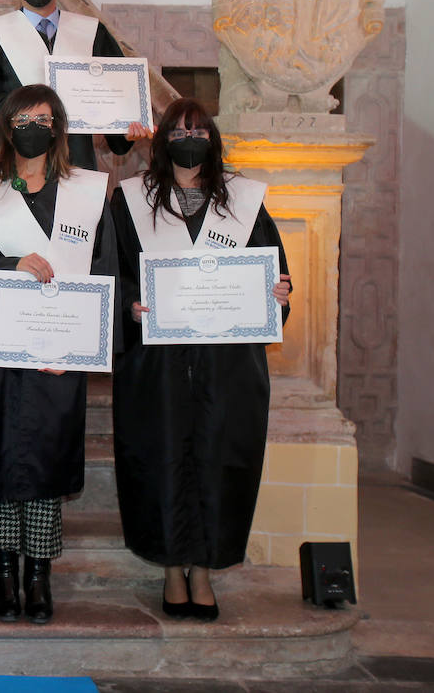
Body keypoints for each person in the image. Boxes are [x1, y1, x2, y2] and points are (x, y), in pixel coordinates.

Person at [111, 98, 292, 622]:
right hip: (156, 365)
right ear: (161, 140)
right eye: (178, 131)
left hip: (227, 363)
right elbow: (113, 270)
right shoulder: (130, 202)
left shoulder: (244, 202)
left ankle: (206, 569)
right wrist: (130, 303)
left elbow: (273, 272)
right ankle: (171, 569)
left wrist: (278, 293)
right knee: (159, 457)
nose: (189, 138)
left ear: (213, 139)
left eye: (199, 130)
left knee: (219, 461)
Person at [0, 85, 118, 625]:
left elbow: (104, 270)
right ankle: (4, 570)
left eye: (44, 118)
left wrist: (84, 347)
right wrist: (9, 264)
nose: (33, 126)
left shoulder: (89, 192)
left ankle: (38, 574)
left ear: (59, 129)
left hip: (61, 347)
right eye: (22, 117)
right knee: (0, 450)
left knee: (47, 454)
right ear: (6, 126)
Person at [0, 0, 149, 170]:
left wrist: (125, 129)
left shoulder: (91, 32)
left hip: (74, 157)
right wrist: (27, 123)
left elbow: (116, 91)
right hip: (15, 156)